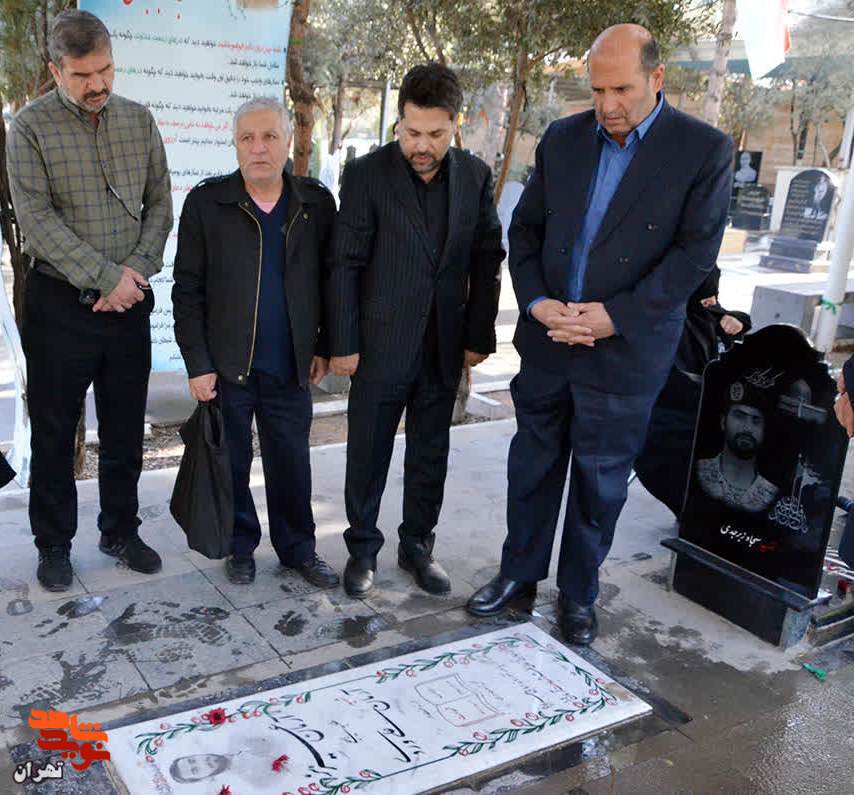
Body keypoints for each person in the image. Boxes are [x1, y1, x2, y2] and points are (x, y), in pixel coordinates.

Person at [466, 24, 733, 645]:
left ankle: (578, 596)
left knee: (600, 481)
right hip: (550, 344)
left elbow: (694, 255)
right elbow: (526, 232)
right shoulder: (563, 139)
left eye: (622, 89)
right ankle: (518, 576)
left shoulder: (702, 150)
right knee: (531, 469)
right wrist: (537, 304)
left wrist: (617, 316)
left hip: (626, 353)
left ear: (657, 78)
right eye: (597, 90)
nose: (608, 105)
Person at [6, 10, 173, 592]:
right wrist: (106, 278)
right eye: (82, 75)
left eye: (105, 70)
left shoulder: (138, 120)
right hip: (59, 306)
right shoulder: (29, 129)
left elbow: (160, 204)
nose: (98, 84)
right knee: (55, 431)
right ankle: (53, 545)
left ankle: (120, 531)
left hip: (130, 300)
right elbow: (37, 222)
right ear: (56, 71)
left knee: (126, 427)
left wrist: (135, 273)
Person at [327, 63, 504, 599]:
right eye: (411, 132)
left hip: (442, 346)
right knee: (368, 453)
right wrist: (343, 343)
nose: (422, 146)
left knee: (431, 453)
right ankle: (362, 549)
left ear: (456, 125)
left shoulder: (474, 176)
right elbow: (344, 262)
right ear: (399, 122)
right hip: (379, 345)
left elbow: (487, 257)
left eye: (435, 134)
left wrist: (478, 336)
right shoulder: (367, 175)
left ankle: (418, 547)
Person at [172, 98, 338, 588]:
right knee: (233, 465)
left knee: (292, 465)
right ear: (235, 145)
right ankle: (240, 546)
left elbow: (332, 281)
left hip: (290, 366)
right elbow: (187, 290)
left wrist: (324, 345)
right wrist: (198, 363)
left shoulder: (315, 203)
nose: (258, 148)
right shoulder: (208, 203)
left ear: (288, 142)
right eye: (247, 138)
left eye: (269, 137)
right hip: (228, 368)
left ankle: (299, 550)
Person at [633, 267, 750, 515]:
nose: (711, 303)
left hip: (702, 419)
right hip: (665, 420)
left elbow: (723, 319)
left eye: (713, 298)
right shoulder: (665, 325)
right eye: (707, 299)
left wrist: (737, 320)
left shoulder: (705, 314)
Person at [696, 396, 779, 513]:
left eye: (756, 421)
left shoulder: (770, 494)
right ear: (723, 422)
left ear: (764, 431)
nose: (747, 428)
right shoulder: (697, 472)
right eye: (739, 416)